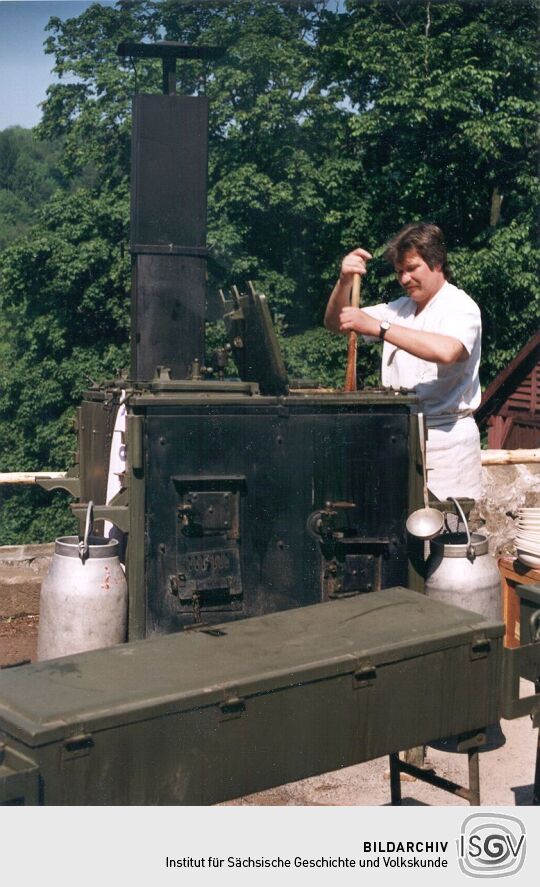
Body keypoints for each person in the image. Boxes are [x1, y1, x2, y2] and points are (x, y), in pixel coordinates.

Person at [324, 222, 482, 501]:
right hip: (399, 438)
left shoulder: (460, 306)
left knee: (448, 533)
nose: (405, 279)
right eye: (399, 272)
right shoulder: (399, 309)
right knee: (401, 531)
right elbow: (337, 322)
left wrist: (380, 328)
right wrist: (344, 280)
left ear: (437, 263)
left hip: (446, 444)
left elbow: (448, 350)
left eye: (412, 269)